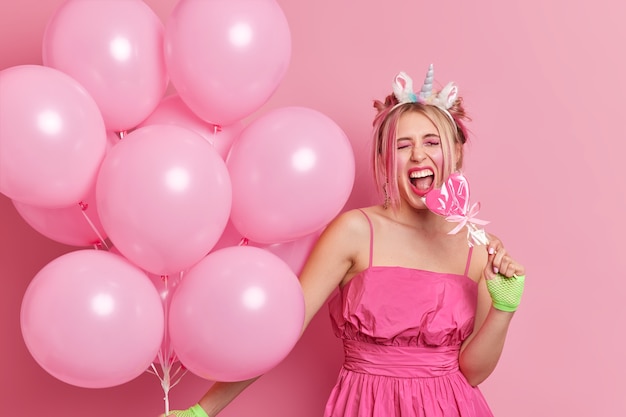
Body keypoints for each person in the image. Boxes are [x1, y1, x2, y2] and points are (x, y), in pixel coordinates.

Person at [162, 64, 526, 417]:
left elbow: (473, 372)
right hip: (367, 406)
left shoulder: (477, 245)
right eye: (402, 145)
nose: (418, 154)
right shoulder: (354, 232)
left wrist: (503, 309)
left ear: (456, 153)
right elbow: (280, 332)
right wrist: (201, 411)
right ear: (386, 160)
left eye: (432, 142)